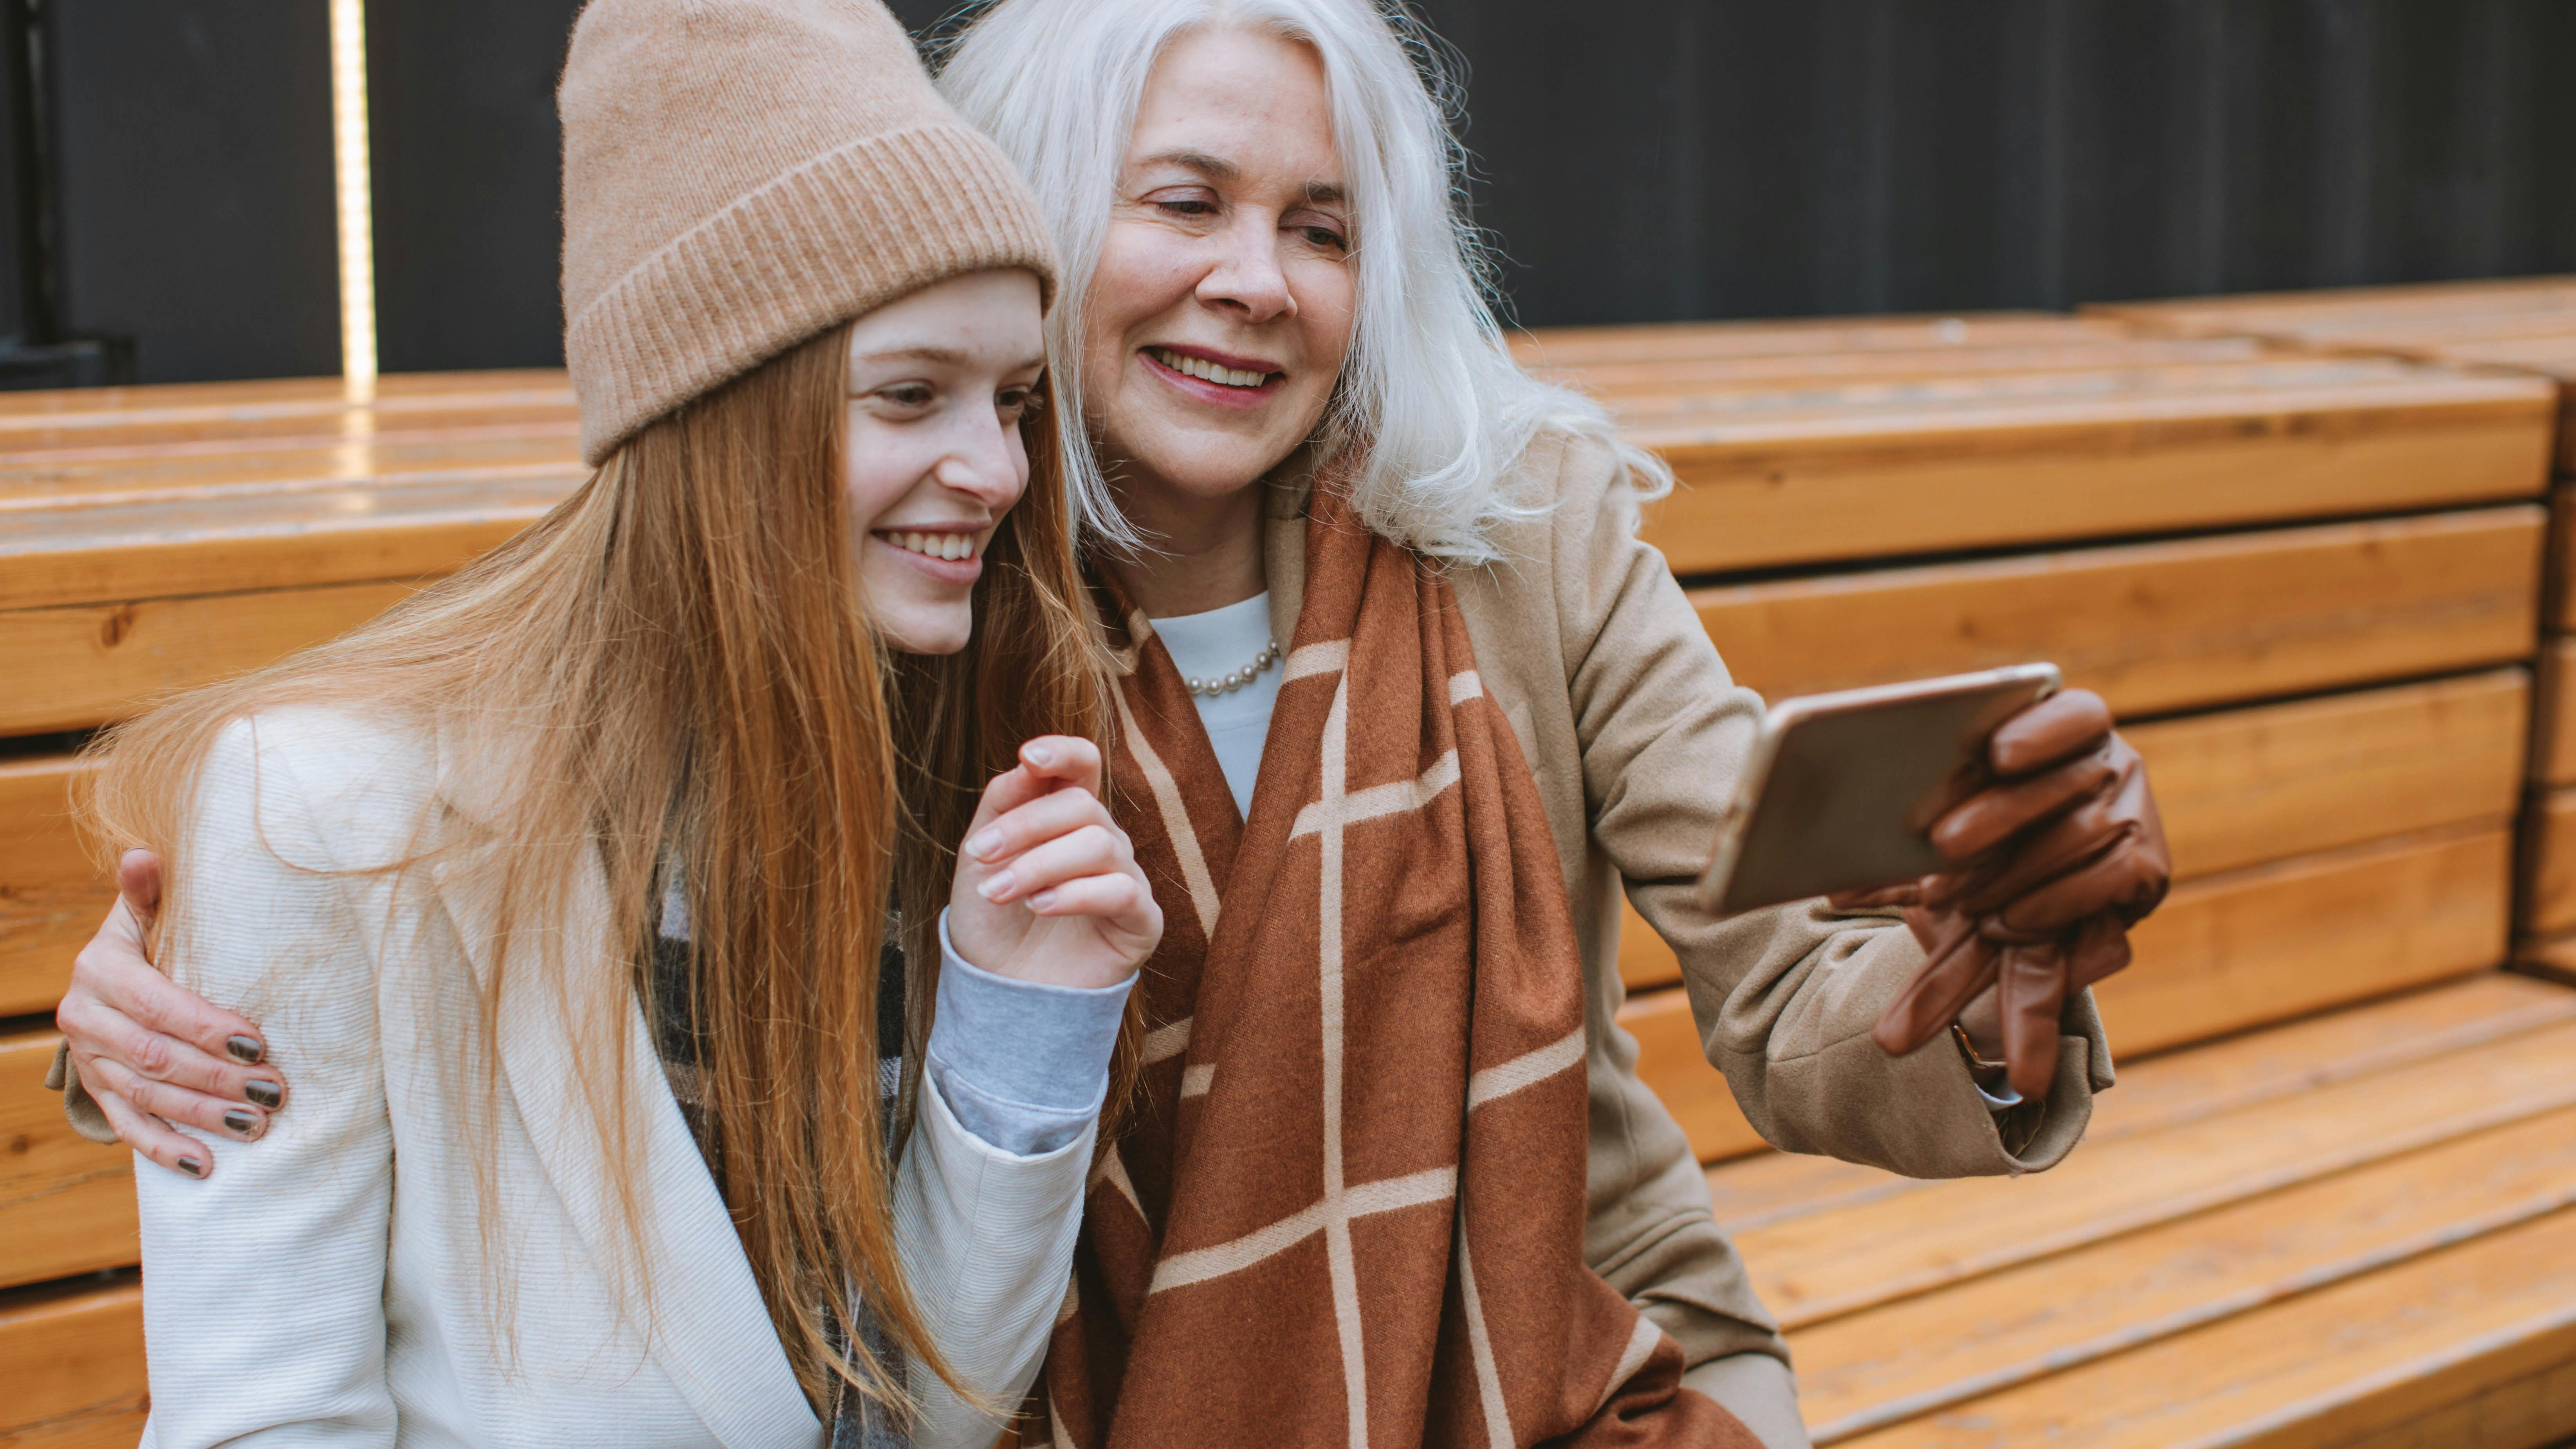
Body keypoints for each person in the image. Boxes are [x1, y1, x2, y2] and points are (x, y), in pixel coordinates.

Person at [52, 0, 2169, 1444]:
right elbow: (546, 797)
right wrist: (170, 1010)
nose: (1256, 277)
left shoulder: (1518, 532)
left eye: (1322, 229)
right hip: (1074, 1390)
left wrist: (1984, 984)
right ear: (1041, 221)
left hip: (1558, 1364)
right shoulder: (906, 604)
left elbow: (1797, 971)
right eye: (1186, 202)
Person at [49, 2, 1164, 1445]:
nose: (996, 469)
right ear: (714, 413)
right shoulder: (327, 806)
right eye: (909, 396)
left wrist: (1022, 1027)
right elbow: (262, 1415)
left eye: (1012, 401)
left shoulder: (939, 765)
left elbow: (931, 1407)